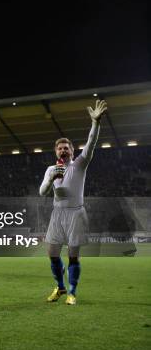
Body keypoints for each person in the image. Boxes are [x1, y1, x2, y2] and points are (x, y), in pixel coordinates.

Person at [40, 99, 107, 305]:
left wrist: (95, 123)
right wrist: (51, 180)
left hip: (75, 213)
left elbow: (91, 142)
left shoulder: (79, 164)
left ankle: (72, 292)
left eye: (66, 147)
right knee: (52, 253)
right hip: (57, 213)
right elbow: (42, 192)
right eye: (60, 148)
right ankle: (60, 287)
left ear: (72, 150)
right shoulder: (51, 169)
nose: (63, 150)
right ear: (56, 151)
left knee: (73, 255)